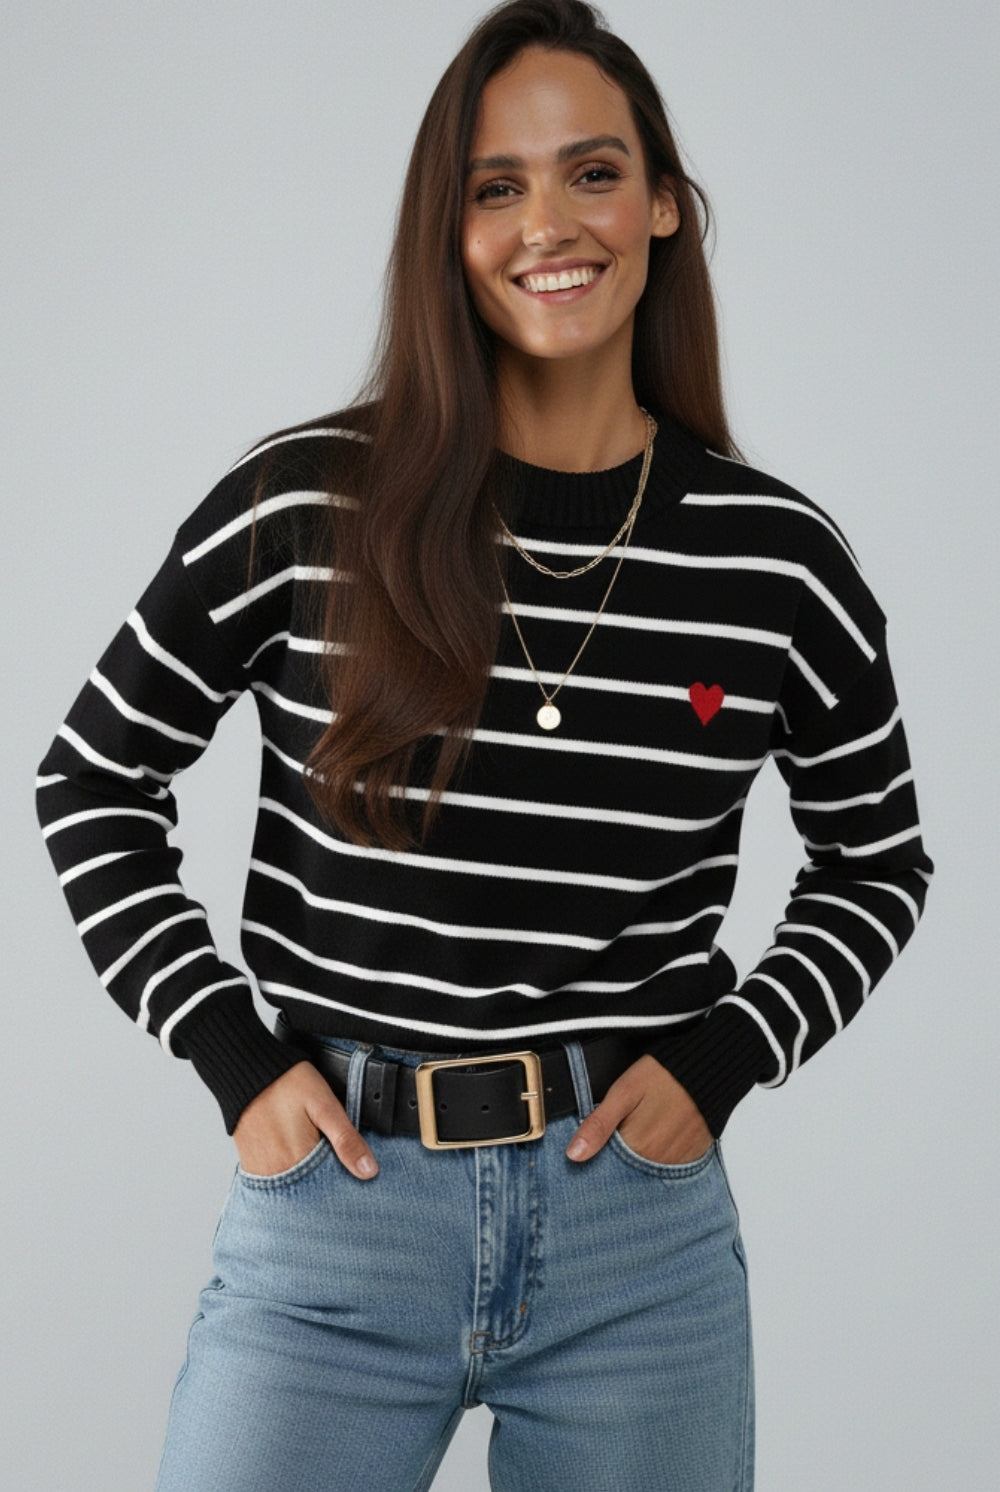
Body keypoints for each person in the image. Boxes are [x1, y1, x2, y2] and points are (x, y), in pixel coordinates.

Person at [35, 2, 932, 1488]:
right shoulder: (307, 505)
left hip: (636, 1244)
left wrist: (726, 1057)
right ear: (446, 232)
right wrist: (232, 1057)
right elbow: (92, 779)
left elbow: (877, 860)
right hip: (336, 1215)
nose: (547, 225)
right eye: (496, 186)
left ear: (663, 204)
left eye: (593, 173)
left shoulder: (775, 560)